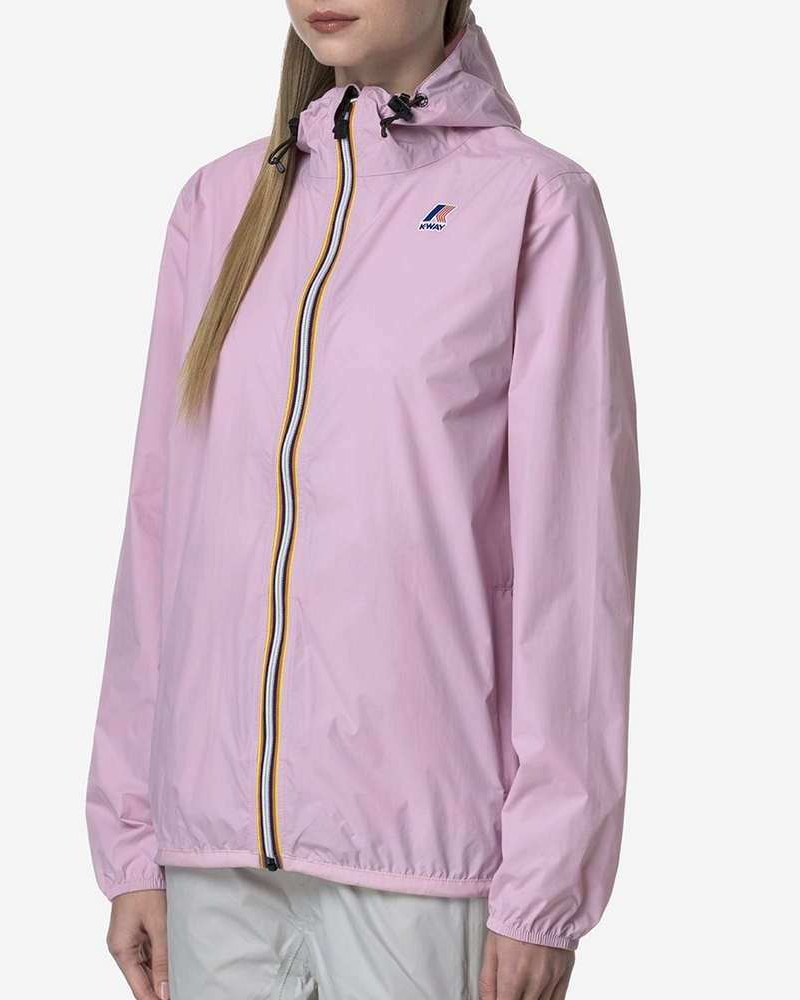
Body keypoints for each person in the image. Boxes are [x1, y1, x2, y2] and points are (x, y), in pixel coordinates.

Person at [85, 2, 640, 998]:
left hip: (422, 861)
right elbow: (159, 535)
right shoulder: (218, 204)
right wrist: (134, 844)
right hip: (211, 857)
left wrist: (545, 885)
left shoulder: (532, 202)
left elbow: (575, 568)